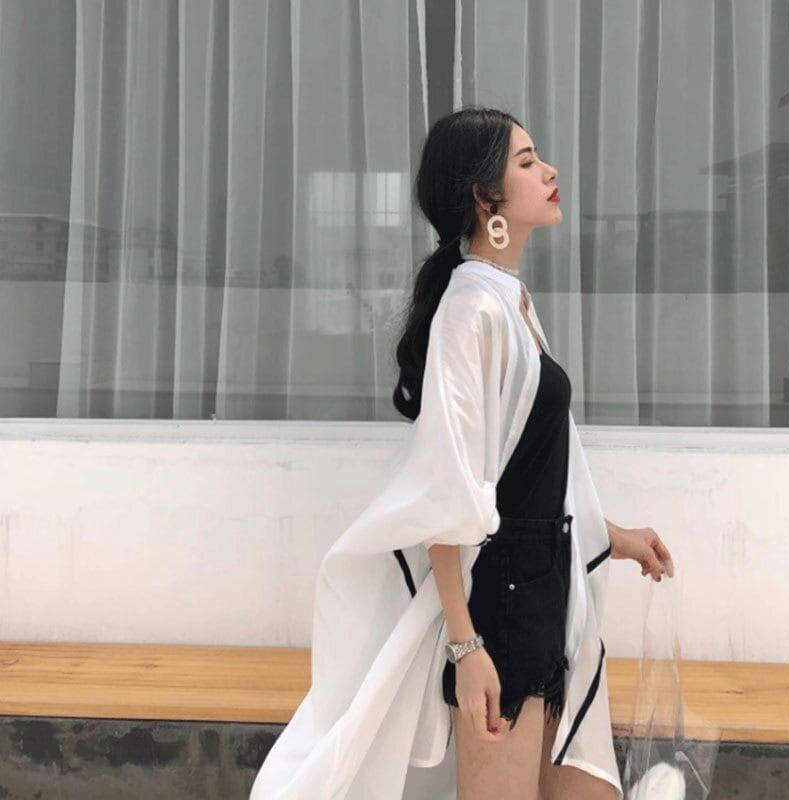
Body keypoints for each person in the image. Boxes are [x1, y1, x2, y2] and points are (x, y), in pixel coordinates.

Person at [249, 105, 675, 800]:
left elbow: (526, 471)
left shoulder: (507, 299)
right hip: (503, 604)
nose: (550, 171)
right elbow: (446, 492)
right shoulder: (471, 309)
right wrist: (468, 647)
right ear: (486, 198)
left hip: (547, 588)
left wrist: (616, 537)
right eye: (528, 161)